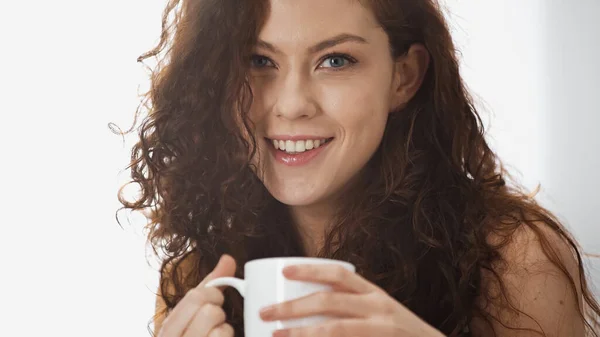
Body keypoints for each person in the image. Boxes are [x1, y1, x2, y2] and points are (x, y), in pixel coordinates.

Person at [118, 0, 600, 336]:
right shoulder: (193, 283)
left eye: (335, 60)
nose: (291, 105)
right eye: (258, 60)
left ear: (404, 77)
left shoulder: (514, 260)